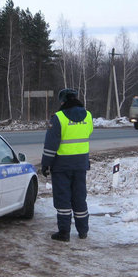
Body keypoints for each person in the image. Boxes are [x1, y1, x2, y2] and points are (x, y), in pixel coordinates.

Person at [41, 88, 93, 242]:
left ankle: (64, 233)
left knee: (63, 199)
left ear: (63, 101)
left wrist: (46, 164)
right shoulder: (88, 116)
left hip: (62, 166)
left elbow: (51, 145)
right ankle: (83, 231)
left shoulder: (58, 118)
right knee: (79, 198)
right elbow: (88, 133)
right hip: (81, 165)